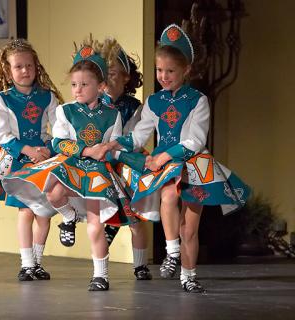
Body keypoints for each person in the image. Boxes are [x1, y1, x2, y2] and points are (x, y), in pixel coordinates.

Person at [106, 24, 250, 293]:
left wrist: (162, 156)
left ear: (186, 70)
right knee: (168, 196)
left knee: (189, 228)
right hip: (169, 166)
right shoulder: (153, 101)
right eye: (160, 70)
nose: (163, 76)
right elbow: (138, 137)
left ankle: (189, 275)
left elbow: (195, 141)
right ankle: (172, 253)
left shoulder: (198, 100)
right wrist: (116, 142)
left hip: (195, 165)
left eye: (170, 71)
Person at [2, 39, 129, 291]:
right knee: (53, 192)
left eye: (84, 84)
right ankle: (69, 217)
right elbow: (59, 142)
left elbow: (117, 145)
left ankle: (100, 275)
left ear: (101, 86)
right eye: (73, 85)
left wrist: (109, 149)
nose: (77, 90)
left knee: (95, 226)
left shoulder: (112, 114)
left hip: (96, 172)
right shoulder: (65, 111)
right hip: (72, 164)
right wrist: (84, 150)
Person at [0, 39, 63, 282]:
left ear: (36, 66)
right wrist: (28, 150)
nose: (25, 70)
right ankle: (26, 263)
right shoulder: (3, 100)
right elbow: (3, 136)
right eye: (18, 67)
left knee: (45, 212)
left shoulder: (47, 97)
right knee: (25, 210)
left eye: (29, 65)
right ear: (8, 70)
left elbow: (59, 130)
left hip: (45, 159)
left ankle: (37, 263)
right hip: (18, 160)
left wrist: (47, 149)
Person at [100, 37, 152, 280]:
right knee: (98, 214)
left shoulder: (135, 107)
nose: (106, 79)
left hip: (124, 160)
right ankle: (99, 270)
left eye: (111, 73)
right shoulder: (94, 105)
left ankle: (140, 265)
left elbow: (130, 139)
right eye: (102, 74)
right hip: (102, 161)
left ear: (125, 76)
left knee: (134, 215)